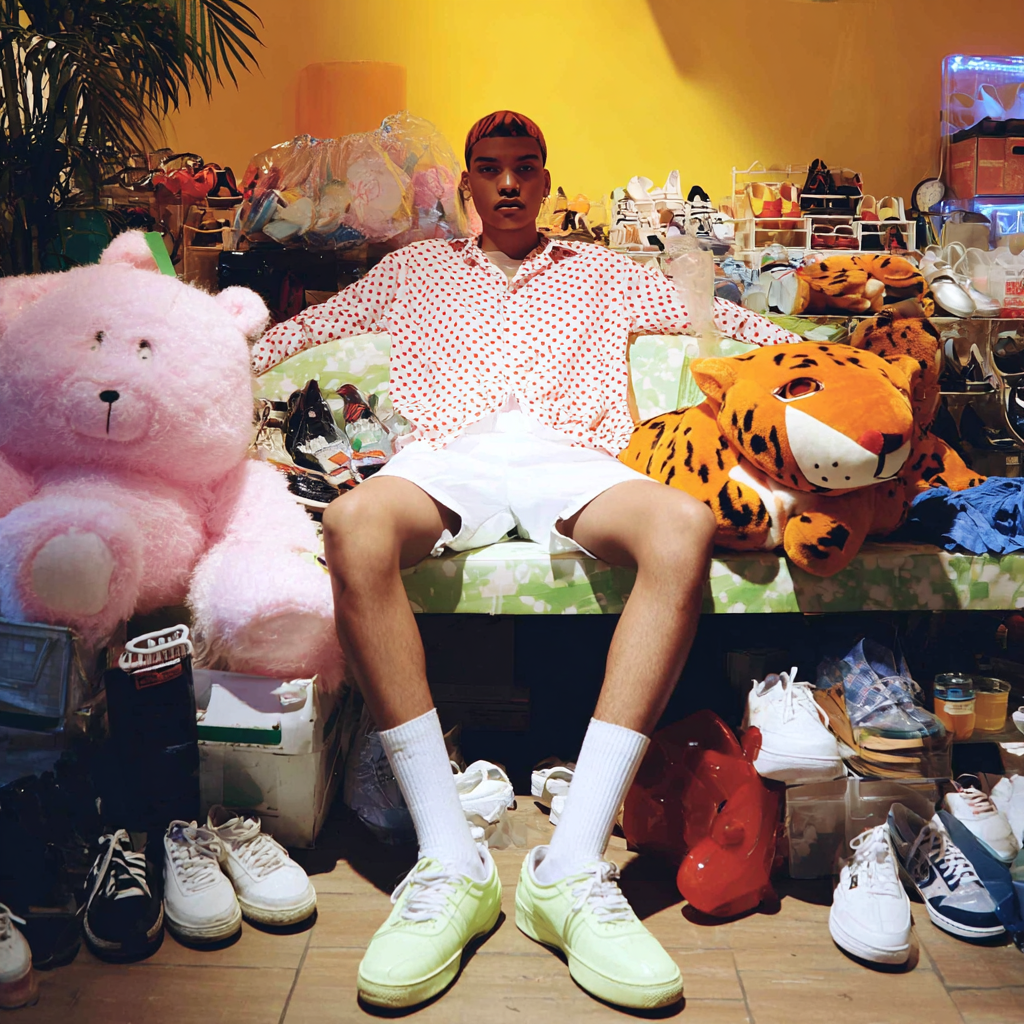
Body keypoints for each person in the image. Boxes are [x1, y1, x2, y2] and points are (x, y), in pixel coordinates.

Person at [252, 111, 798, 1011]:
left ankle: (572, 867)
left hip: (569, 457)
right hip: (446, 454)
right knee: (352, 525)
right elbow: (301, 334)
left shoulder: (608, 274)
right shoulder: (414, 268)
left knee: (681, 528)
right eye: (489, 168)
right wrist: (209, 355)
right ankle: (448, 859)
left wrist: (836, 361)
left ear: (547, 180)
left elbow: (729, 326)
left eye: (525, 168)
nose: (507, 183)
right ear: (466, 183)